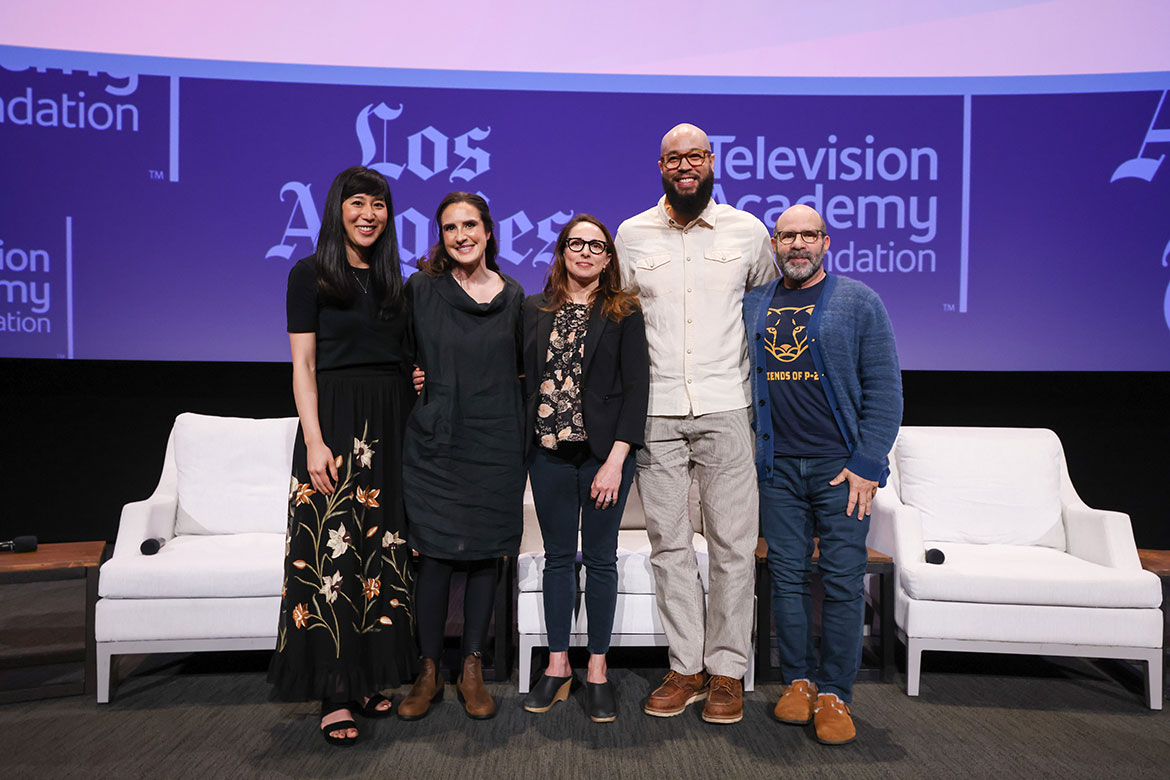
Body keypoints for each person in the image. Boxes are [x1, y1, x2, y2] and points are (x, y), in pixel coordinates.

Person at [613, 123, 777, 724]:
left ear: (711, 161)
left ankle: (728, 672)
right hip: (655, 411)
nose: (685, 166)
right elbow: (619, 316)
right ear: (660, 165)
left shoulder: (748, 232)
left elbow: (765, 306)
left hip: (728, 405)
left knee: (735, 545)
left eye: (695, 156)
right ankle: (686, 667)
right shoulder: (632, 234)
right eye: (673, 158)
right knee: (669, 545)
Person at [269, 165, 417, 747]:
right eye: (357, 203)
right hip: (334, 421)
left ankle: (367, 675)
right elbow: (303, 365)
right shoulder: (309, 275)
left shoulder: (392, 280)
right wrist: (314, 440)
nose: (368, 214)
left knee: (381, 554)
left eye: (378, 205)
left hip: (390, 422)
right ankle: (334, 691)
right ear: (337, 208)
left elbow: (401, 355)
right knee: (330, 555)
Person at [744, 204, 902, 745]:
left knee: (840, 579)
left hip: (841, 471)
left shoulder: (859, 301)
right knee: (785, 577)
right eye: (786, 236)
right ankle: (798, 682)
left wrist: (867, 463)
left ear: (825, 241)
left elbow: (884, 389)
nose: (797, 245)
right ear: (774, 244)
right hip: (778, 468)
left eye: (808, 235)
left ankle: (836, 692)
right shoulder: (755, 303)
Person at [396, 192, 526, 722]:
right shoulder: (421, 289)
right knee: (434, 557)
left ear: (488, 231)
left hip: (495, 442)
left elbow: (523, 367)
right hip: (437, 441)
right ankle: (427, 670)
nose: (461, 235)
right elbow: (398, 353)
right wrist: (411, 376)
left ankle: (472, 668)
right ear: (441, 237)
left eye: (470, 224)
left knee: (483, 557)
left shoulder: (515, 295)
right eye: (450, 228)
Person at [520, 215, 649, 723]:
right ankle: (557, 668)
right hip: (548, 453)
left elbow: (636, 387)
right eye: (577, 243)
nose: (586, 252)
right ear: (562, 251)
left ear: (608, 257)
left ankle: (596, 669)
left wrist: (616, 461)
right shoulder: (534, 309)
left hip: (603, 459)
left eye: (597, 245)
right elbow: (512, 373)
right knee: (556, 558)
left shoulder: (623, 311)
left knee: (599, 560)